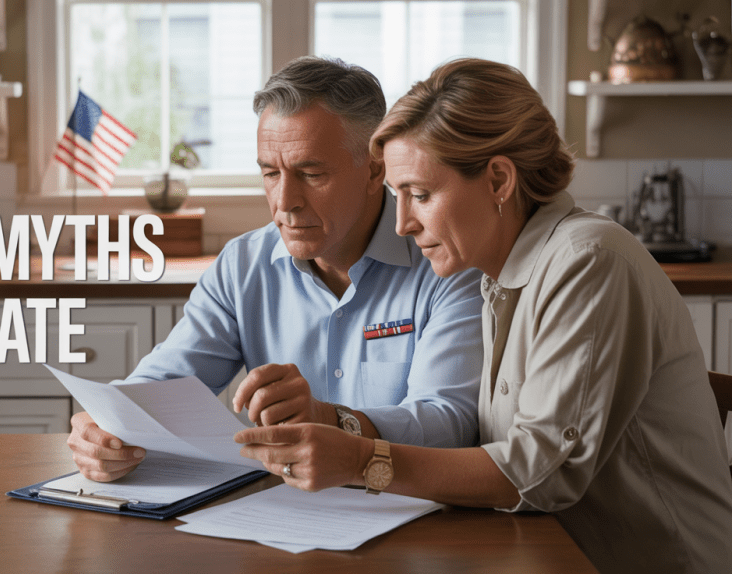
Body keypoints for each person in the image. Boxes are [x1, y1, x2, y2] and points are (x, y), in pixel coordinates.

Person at [235, 58, 732, 573]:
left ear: (498, 179)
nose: (402, 224)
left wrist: (363, 461)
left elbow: (539, 474)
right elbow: (484, 442)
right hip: (552, 552)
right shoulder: (500, 273)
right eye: (398, 196)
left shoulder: (588, 261)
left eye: (421, 195)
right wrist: (338, 429)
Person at [67, 56, 485, 482]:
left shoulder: (446, 260)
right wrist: (105, 424)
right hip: (273, 514)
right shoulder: (241, 265)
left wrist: (334, 420)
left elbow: (449, 423)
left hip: (413, 515)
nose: (285, 202)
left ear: (376, 170)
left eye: (311, 173)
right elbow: (164, 383)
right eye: (270, 173)